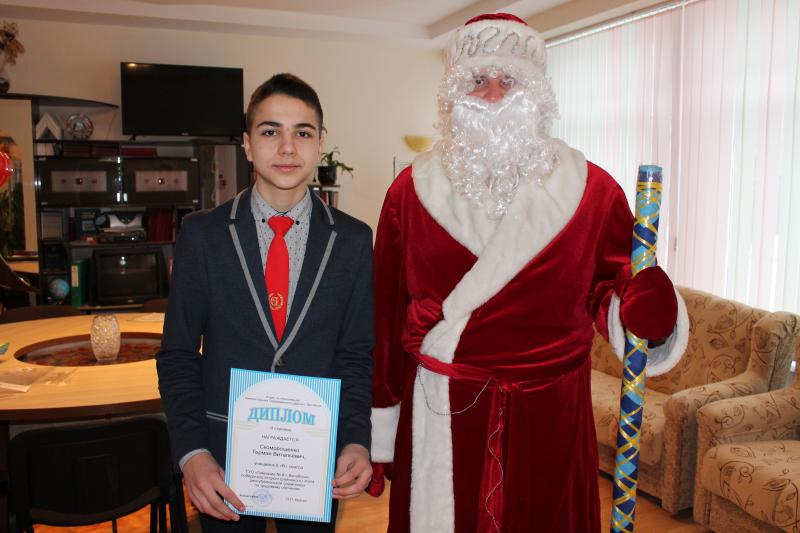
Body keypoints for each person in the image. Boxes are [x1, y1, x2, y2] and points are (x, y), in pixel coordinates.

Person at [367, 13, 689, 533]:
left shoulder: (592, 191)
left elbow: (613, 292)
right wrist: (381, 419)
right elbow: (384, 314)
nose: (494, 94)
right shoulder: (409, 191)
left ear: (536, 94)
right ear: (454, 96)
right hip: (442, 411)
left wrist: (644, 310)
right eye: (478, 79)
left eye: (509, 79)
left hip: (550, 415)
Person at [157, 73, 374, 532]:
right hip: (221, 460)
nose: (288, 147)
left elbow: (356, 354)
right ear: (247, 145)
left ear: (320, 145)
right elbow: (177, 354)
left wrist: (356, 439)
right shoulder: (203, 236)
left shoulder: (353, 241)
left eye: (303, 133)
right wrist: (192, 453)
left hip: (315, 460)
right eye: (271, 131)